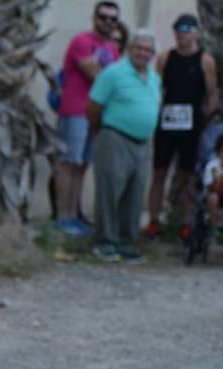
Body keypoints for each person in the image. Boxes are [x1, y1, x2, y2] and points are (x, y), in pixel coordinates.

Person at [87, 29, 162, 264]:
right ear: (130, 49)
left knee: (135, 193)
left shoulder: (154, 77)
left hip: (142, 143)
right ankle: (105, 242)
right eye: (139, 48)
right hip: (115, 137)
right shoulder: (113, 73)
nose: (143, 53)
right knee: (110, 190)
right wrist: (103, 130)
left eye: (148, 50)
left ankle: (126, 241)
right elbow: (93, 107)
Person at [145, 14, 219, 240]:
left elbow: (212, 94)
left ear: (196, 33)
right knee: (159, 173)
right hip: (166, 124)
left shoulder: (205, 60)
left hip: (191, 125)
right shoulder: (165, 57)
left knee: (186, 175)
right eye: (178, 29)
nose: (182, 34)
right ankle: (154, 221)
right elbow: (156, 89)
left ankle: (186, 223)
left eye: (187, 30)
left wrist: (205, 119)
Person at [54, 1, 122, 237]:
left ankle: (74, 214)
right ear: (94, 18)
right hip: (75, 109)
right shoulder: (82, 42)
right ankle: (63, 216)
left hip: (96, 114)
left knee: (82, 165)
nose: (108, 23)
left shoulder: (112, 49)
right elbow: (97, 76)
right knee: (69, 163)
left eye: (113, 19)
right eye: (104, 17)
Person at [204, 133, 223, 255]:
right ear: (218, 153)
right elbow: (211, 188)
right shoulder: (212, 165)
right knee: (213, 198)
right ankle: (214, 227)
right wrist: (217, 179)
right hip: (215, 195)